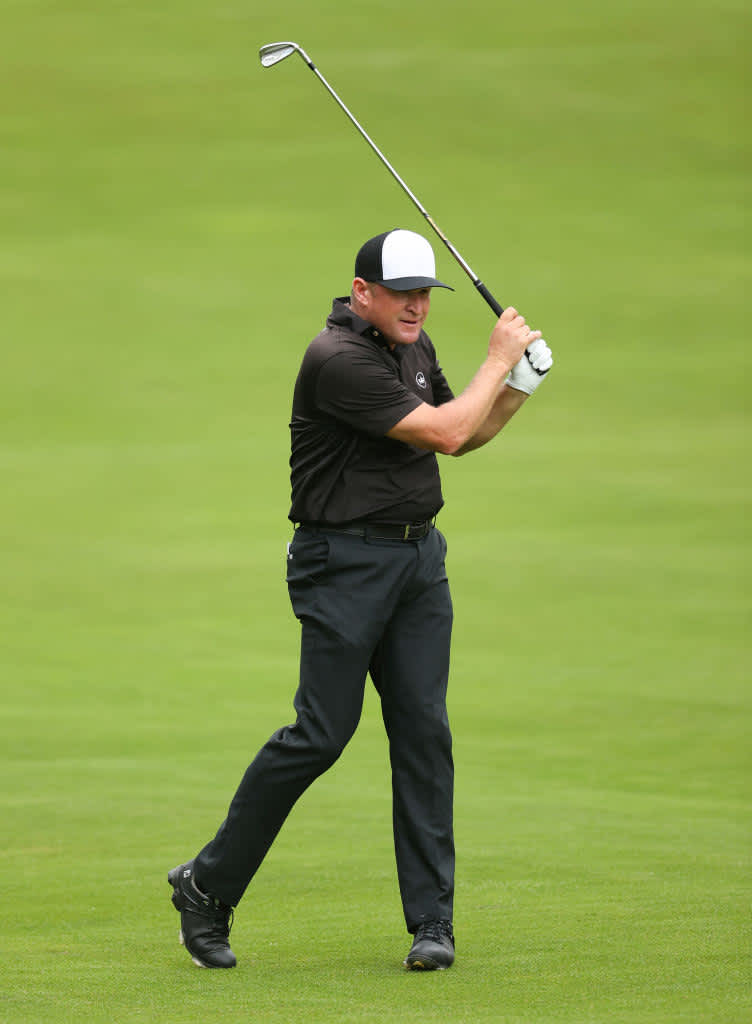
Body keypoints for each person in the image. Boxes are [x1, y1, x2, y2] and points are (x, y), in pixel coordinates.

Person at [167, 228, 553, 971]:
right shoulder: (335, 359)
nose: (416, 306)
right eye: (401, 292)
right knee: (320, 734)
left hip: (417, 563)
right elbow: (443, 432)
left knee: (422, 734)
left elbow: (464, 432)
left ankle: (432, 924)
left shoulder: (412, 350)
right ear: (362, 292)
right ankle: (206, 889)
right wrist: (499, 360)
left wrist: (517, 389)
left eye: (424, 294)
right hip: (341, 562)